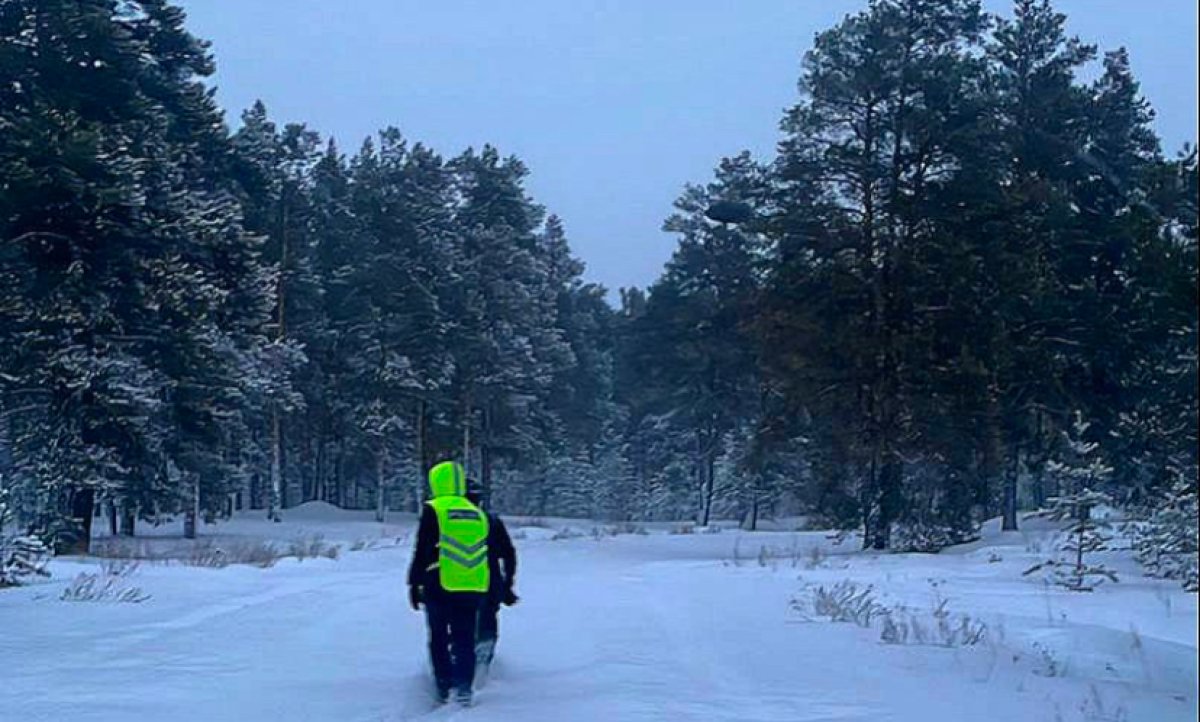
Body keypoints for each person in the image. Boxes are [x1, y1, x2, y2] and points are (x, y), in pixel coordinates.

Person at [408, 461, 489, 706]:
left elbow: (423, 549)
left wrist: (414, 583)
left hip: (439, 582)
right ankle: (464, 687)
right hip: (472, 585)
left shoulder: (435, 508)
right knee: (465, 637)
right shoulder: (476, 511)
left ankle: (444, 686)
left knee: (439, 636)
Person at [465, 486, 518, 669]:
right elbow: (509, 553)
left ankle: (461, 659)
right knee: (487, 616)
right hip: (489, 579)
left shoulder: (444, 521)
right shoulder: (492, 521)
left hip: (455, 581)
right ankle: (483, 654)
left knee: (459, 620)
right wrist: (508, 584)